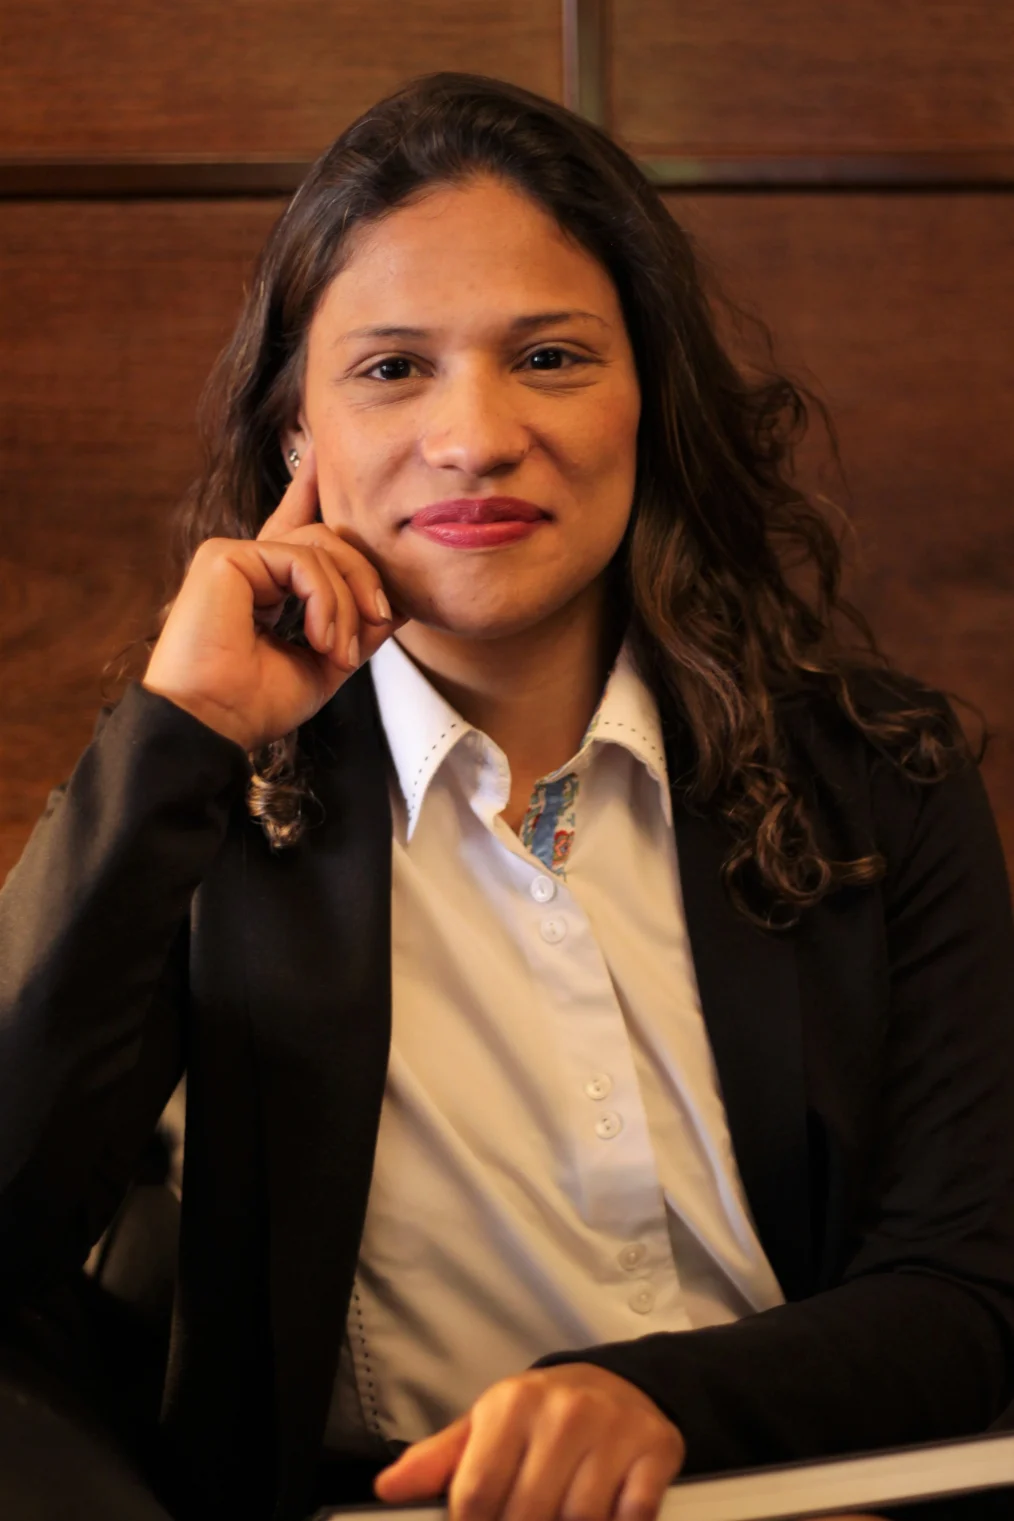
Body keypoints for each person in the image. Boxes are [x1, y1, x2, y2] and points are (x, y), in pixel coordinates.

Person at [1, 70, 1012, 1521]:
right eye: (391, 369)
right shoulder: (190, 801)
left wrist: (654, 1401)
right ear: (299, 436)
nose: (472, 437)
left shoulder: (877, 782)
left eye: (547, 358)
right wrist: (186, 732)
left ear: (647, 403)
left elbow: (967, 1293)